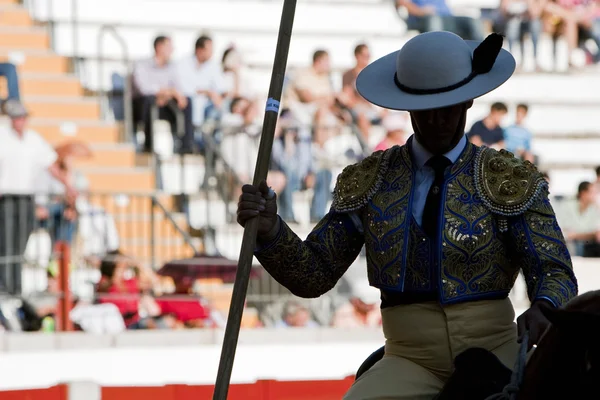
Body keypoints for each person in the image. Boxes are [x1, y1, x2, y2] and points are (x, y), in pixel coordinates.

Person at [237, 31, 577, 399]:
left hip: (498, 350)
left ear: (468, 101)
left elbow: (553, 270)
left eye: (448, 106)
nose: (438, 120)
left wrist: (545, 306)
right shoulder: (370, 179)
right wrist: (271, 230)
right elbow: (313, 274)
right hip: (410, 360)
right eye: (426, 110)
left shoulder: (509, 177)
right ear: (407, 107)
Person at [0, 100, 77, 294]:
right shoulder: (3, 136)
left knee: (20, 244)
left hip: (27, 198)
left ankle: (14, 288)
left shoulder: (33, 139)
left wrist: (68, 186)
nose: (21, 121)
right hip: (7, 198)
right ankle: (6, 286)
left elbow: (51, 165)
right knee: (7, 244)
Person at [132, 35, 195, 153]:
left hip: (165, 103)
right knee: (149, 101)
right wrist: (166, 92)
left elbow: (177, 88)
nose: (172, 50)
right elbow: (144, 89)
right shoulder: (142, 64)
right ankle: (148, 146)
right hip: (142, 106)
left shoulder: (172, 67)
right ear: (159, 47)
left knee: (187, 101)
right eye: (169, 47)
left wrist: (169, 95)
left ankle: (186, 146)